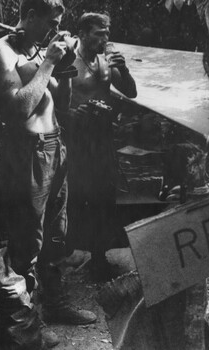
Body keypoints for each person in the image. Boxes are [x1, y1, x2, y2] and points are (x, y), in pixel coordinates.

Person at [0, 0, 97, 335]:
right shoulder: (2, 51)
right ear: (30, 15)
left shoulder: (37, 48)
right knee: (27, 240)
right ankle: (28, 326)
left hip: (55, 144)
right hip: (27, 152)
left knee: (56, 233)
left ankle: (56, 303)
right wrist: (48, 61)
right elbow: (19, 108)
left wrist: (62, 66)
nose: (53, 29)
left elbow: (59, 104)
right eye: (50, 21)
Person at [66, 12, 136, 280]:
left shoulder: (107, 62)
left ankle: (99, 257)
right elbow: (52, 99)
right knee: (79, 196)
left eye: (107, 33)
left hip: (102, 137)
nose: (105, 38)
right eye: (99, 33)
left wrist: (125, 68)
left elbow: (130, 92)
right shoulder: (68, 61)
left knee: (105, 196)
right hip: (76, 138)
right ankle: (72, 251)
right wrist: (71, 114)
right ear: (83, 34)